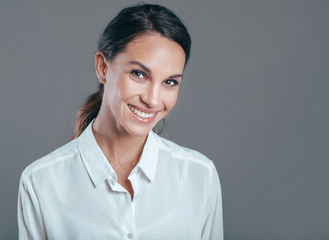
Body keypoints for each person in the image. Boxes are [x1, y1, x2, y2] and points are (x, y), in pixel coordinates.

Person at [17, 3, 223, 240]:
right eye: (139, 74)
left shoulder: (200, 176)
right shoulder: (40, 182)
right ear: (103, 68)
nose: (152, 100)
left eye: (170, 82)